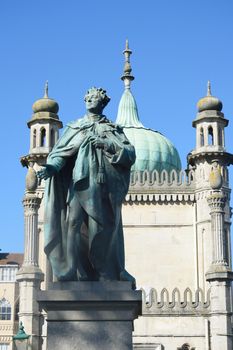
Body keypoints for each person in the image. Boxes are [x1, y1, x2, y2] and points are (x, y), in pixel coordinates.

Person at [37, 87, 136, 286]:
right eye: (88, 98)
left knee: (98, 229)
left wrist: (106, 144)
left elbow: (129, 153)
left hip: (100, 188)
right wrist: (51, 168)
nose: (91, 100)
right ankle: (70, 270)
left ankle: (103, 271)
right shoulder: (75, 127)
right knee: (72, 224)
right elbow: (61, 154)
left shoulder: (112, 129)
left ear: (103, 103)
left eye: (95, 98)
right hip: (77, 184)